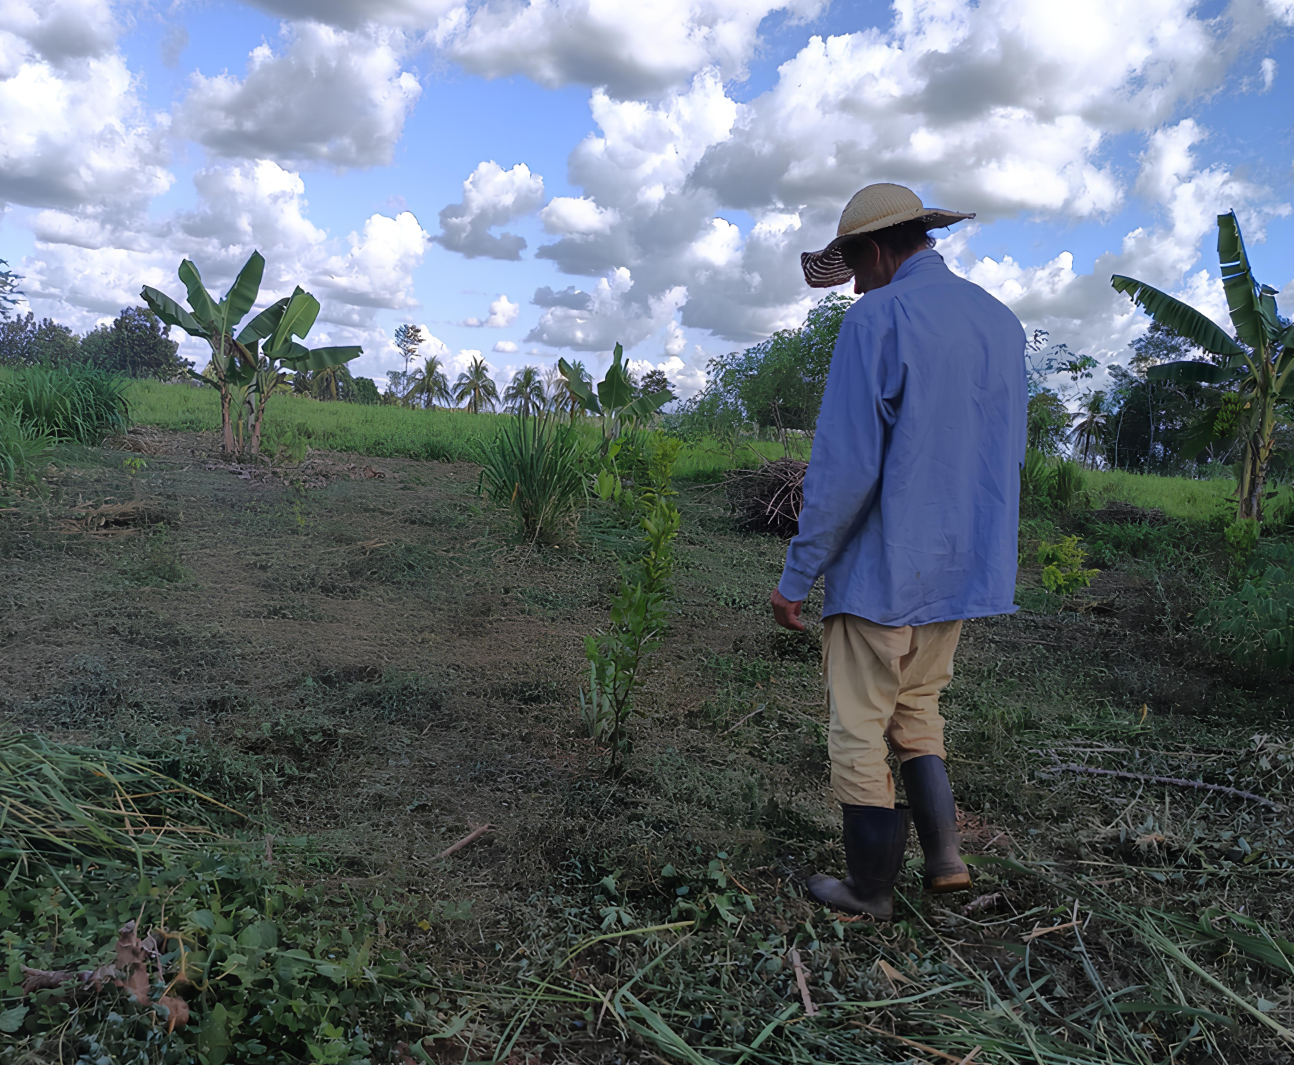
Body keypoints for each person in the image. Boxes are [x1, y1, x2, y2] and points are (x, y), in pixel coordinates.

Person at [771, 183, 1026, 920]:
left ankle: (869, 889)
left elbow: (846, 468)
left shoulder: (877, 318)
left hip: (881, 568)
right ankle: (945, 859)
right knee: (917, 704)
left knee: (857, 722)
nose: (854, 286)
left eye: (854, 267)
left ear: (877, 252)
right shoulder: (1000, 321)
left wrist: (798, 575)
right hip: (960, 567)